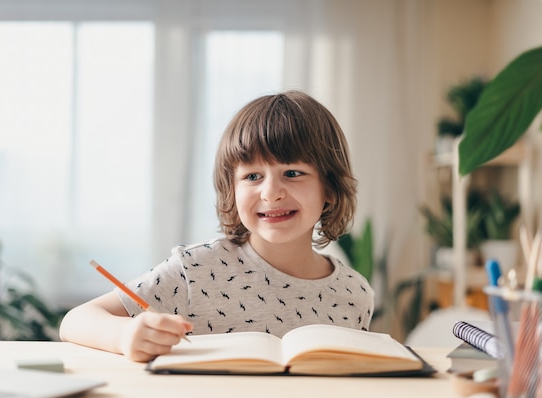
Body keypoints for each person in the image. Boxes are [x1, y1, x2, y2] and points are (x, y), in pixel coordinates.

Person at [59, 90, 374, 362]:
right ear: (232, 189)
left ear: (329, 188)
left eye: (292, 173)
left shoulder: (355, 294)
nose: (271, 192)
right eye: (252, 176)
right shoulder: (195, 270)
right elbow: (76, 321)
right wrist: (125, 335)